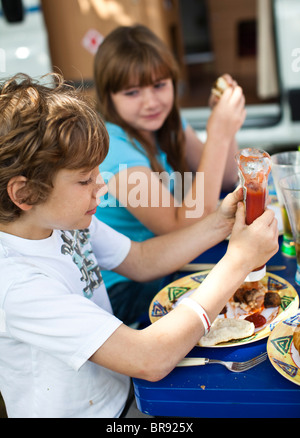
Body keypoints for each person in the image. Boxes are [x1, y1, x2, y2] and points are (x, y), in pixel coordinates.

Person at [0, 74, 278, 418]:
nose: (101, 186)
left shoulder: (59, 222)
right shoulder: (18, 286)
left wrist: (218, 224)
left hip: (127, 393)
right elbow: (150, 358)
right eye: (85, 179)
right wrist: (238, 261)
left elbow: (141, 259)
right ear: (24, 193)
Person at [93, 24, 247, 323]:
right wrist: (217, 134)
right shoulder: (113, 150)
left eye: (159, 85)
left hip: (175, 261)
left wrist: (225, 129)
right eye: (132, 92)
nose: (151, 102)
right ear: (109, 97)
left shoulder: (167, 124)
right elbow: (181, 228)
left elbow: (226, 179)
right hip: (128, 289)